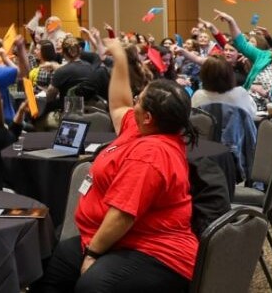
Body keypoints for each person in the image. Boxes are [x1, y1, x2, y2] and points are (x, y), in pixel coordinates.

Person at [34, 39, 198, 292]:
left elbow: (123, 215)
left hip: (156, 251)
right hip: (120, 241)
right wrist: (120, 59)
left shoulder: (152, 153)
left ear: (148, 117)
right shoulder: (143, 128)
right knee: (51, 267)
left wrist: (93, 253)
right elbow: (119, 104)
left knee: (92, 286)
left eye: (139, 99)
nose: (134, 100)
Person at [189, 55, 259, 118]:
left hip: (206, 132)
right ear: (229, 74)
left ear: (204, 75)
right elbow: (252, 114)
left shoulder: (198, 96)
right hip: (236, 132)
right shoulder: (240, 93)